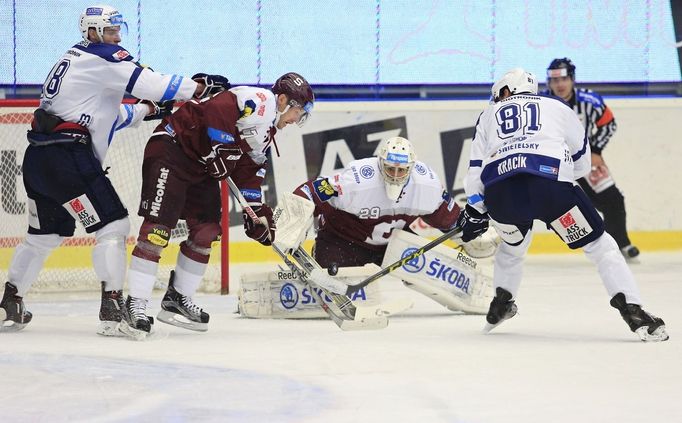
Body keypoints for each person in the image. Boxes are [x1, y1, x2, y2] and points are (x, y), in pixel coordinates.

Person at [0, 4, 229, 334]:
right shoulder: (106, 56)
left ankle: (11, 300)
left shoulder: (74, 58)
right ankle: (112, 307)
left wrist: (146, 110)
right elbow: (151, 82)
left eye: (117, 28)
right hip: (69, 159)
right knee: (114, 226)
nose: (116, 35)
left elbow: (103, 116)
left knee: (43, 236)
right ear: (92, 32)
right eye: (109, 29)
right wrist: (198, 88)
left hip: (39, 159)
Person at [458, 67, 668, 342]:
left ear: (507, 90)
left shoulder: (487, 115)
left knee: (511, 247)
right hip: (552, 189)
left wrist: (475, 209)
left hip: (502, 194)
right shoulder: (556, 106)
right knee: (601, 247)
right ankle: (634, 312)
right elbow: (583, 162)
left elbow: (475, 171)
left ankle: (501, 302)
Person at [119, 72, 314, 338]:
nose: (296, 120)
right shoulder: (260, 100)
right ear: (282, 100)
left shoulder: (266, 134)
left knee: (207, 231)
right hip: (172, 150)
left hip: (200, 167)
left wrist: (255, 213)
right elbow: (216, 108)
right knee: (157, 231)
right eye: (298, 112)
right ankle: (136, 304)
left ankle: (178, 297)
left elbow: (249, 173)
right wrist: (221, 145)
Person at [291, 137, 483, 311]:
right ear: (380, 164)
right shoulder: (358, 180)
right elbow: (310, 191)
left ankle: (461, 295)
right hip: (344, 240)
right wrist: (293, 224)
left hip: (395, 245)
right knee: (329, 282)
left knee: (428, 267)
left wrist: (471, 234)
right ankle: (322, 256)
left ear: (411, 168)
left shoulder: (427, 186)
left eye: (402, 170)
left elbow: (451, 221)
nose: (396, 175)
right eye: (391, 168)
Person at [546, 58, 639, 260]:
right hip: (553, 165)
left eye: (564, 79)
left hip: (585, 161)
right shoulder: (542, 104)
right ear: (549, 83)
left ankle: (620, 243)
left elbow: (609, 124)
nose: (559, 85)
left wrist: (595, 150)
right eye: (555, 81)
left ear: (572, 79)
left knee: (614, 200)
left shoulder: (590, 101)